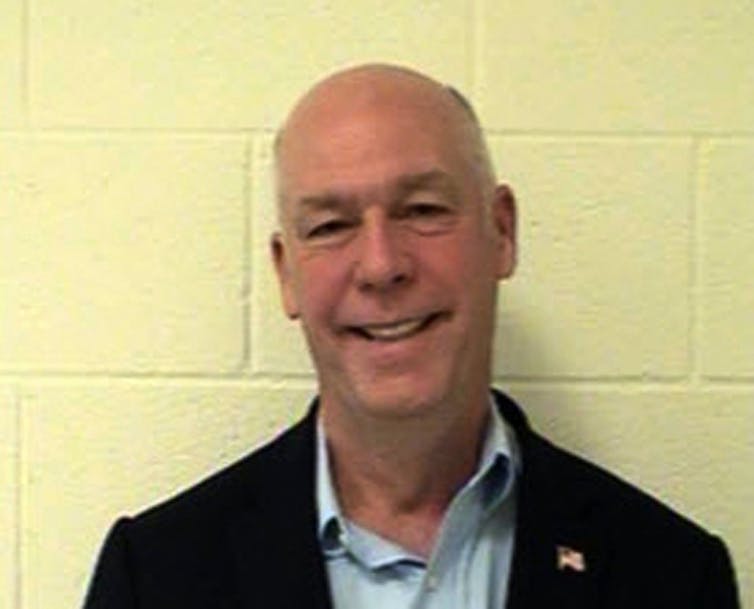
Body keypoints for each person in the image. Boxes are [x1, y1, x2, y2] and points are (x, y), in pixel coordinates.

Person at [83, 64, 740, 609]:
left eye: (423, 210)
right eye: (331, 226)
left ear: (502, 232)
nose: (380, 265)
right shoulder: (158, 576)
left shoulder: (672, 576)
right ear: (286, 274)